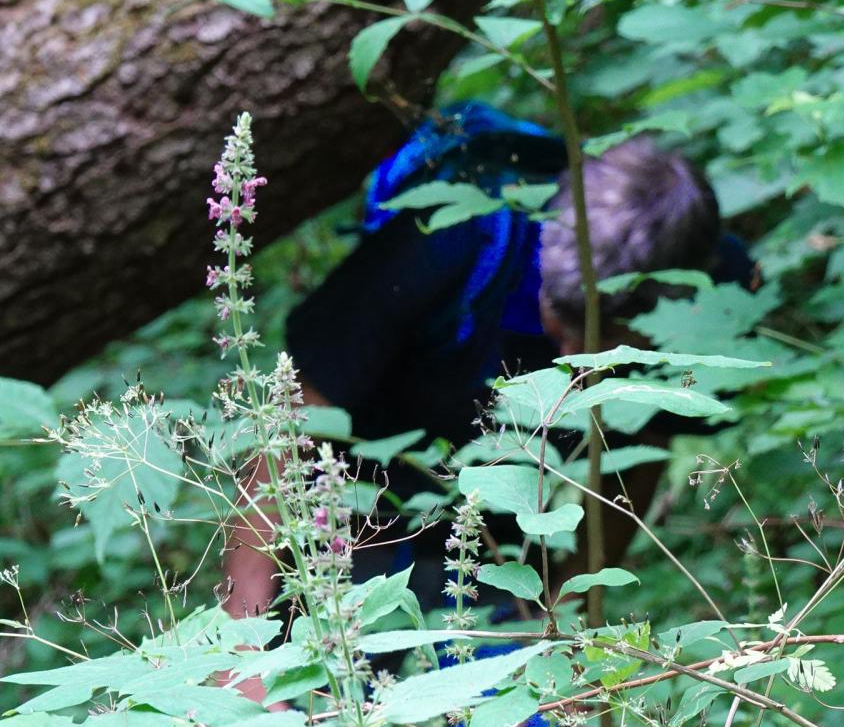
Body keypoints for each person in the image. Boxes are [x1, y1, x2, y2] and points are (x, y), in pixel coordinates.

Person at [221, 101, 756, 628]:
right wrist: (241, 644)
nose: (572, 357)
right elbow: (292, 427)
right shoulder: (452, 239)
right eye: (561, 319)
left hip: (500, 561)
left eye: (606, 337)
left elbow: (639, 453)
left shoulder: (714, 298)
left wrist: (568, 626)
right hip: (349, 531)